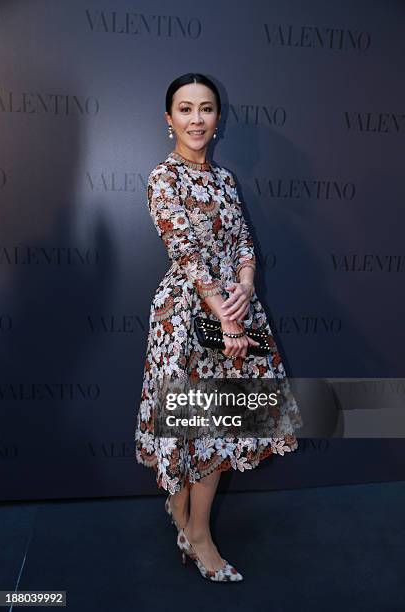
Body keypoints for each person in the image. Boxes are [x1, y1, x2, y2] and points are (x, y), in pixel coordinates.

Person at [135, 73, 302, 582]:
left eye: (205, 109)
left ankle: (187, 521)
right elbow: (183, 251)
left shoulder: (225, 180)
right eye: (185, 109)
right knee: (195, 425)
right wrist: (225, 312)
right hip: (188, 317)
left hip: (233, 306)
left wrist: (247, 281)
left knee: (219, 427)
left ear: (217, 118)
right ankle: (198, 536)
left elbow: (244, 240)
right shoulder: (163, 178)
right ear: (169, 120)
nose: (196, 119)